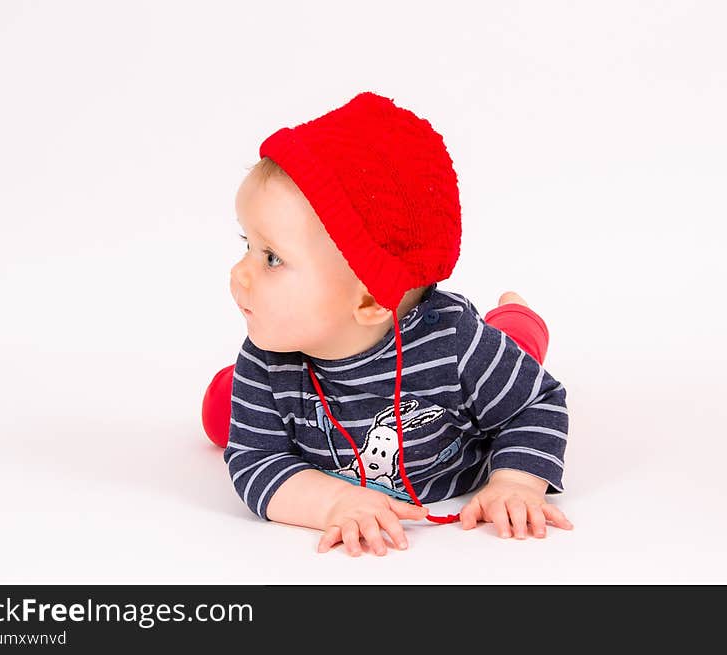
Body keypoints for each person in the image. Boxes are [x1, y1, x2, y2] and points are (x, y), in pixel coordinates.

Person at [202, 91, 573, 556]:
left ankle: (517, 316)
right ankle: (227, 393)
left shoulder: (456, 345)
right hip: (282, 393)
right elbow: (257, 460)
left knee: (513, 353)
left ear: (372, 301)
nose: (240, 272)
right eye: (247, 245)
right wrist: (333, 500)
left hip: (480, 359)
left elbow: (536, 404)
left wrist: (516, 482)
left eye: (272, 258)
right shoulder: (269, 355)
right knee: (229, 414)